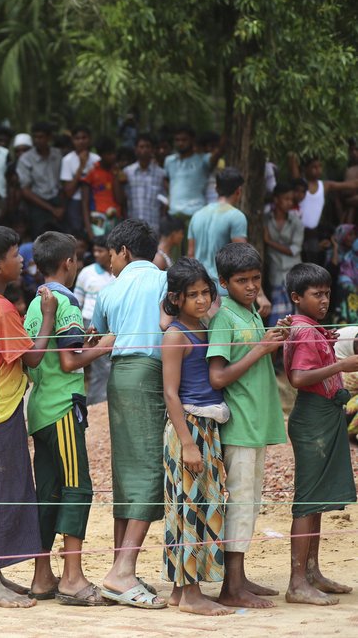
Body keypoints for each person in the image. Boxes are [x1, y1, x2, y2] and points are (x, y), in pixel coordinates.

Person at [0, 225, 56, 608]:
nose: (23, 260)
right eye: (17, 255)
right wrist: (48, 315)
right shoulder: (0, 309)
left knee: (5, 490)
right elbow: (32, 357)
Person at [25, 232, 113, 607]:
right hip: (63, 407)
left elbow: (46, 357)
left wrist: (85, 346)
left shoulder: (34, 304)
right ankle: (73, 577)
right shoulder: (68, 302)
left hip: (40, 409)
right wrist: (105, 345)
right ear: (69, 263)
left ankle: (42, 575)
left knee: (48, 492)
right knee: (78, 487)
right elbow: (68, 361)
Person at [90, 219, 168, 609]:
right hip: (150, 373)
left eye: (111, 254)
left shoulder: (110, 291)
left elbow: (102, 332)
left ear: (123, 251)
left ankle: (122, 566)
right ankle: (121, 572)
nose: (109, 262)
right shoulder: (164, 281)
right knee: (150, 467)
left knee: (128, 468)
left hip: (119, 376)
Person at [206, 242, 288, 609]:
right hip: (239, 425)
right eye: (242, 281)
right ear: (224, 283)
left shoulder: (250, 311)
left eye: (256, 279)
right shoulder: (224, 317)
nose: (252, 286)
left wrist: (274, 337)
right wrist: (261, 350)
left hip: (256, 421)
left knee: (250, 503)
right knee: (239, 503)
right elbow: (218, 376)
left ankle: (239, 577)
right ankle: (231, 586)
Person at [283, 262, 358, 606]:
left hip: (325, 417)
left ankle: (312, 572)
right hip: (312, 419)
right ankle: (298, 581)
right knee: (307, 501)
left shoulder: (312, 327)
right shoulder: (304, 331)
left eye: (327, 293)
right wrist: (342, 365)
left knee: (316, 503)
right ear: (297, 298)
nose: (324, 299)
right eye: (317, 294)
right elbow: (299, 378)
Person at [160, 258, 230, 616]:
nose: (201, 300)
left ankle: (178, 589)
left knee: (199, 506)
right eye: (193, 295)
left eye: (205, 293)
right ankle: (191, 595)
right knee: (189, 509)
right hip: (187, 428)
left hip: (206, 427)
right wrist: (188, 443)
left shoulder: (203, 328)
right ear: (177, 297)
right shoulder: (175, 335)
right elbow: (171, 393)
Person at [187, 167, 248, 290]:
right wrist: (260, 294)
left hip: (201, 288)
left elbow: (190, 255)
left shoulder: (197, 215)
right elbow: (242, 257)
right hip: (223, 290)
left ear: (216, 188)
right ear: (238, 191)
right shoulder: (236, 217)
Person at [73, 235, 116, 405]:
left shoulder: (118, 273)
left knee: (104, 365)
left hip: (111, 323)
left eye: (101, 250)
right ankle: (97, 403)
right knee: (101, 366)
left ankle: (98, 401)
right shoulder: (87, 272)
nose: (97, 254)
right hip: (91, 323)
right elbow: (77, 301)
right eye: (95, 251)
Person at [265, 182, 304, 327]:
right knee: (278, 317)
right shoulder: (265, 219)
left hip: (292, 272)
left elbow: (295, 249)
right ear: (276, 199)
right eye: (286, 199)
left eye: (291, 200)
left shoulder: (296, 222)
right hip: (275, 273)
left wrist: (269, 242)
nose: (289, 203)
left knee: (295, 313)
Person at [163, 126, 222, 221]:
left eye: (184, 140)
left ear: (192, 140)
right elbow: (165, 179)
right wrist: (170, 195)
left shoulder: (203, 159)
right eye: (177, 140)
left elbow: (219, 152)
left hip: (196, 213)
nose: (180, 143)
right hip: (174, 213)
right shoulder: (169, 161)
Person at [17, 122, 64, 238]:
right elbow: (26, 191)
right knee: (41, 239)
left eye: (41, 137)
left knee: (61, 237)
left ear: (49, 138)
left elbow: (64, 182)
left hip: (58, 200)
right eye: (35, 137)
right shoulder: (26, 159)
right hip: (38, 203)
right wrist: (52, 209)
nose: (37, 140)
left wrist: (62, 206)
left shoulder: (58, 155)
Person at [60, 126, 99, 234]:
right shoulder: (67, 160)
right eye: (77, 138)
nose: (81, 141)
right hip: (75, 203)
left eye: (84, 137)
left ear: (89, 139)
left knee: (97, 232)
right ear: (72, 140)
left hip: (95, 203)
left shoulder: (97, 159)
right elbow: (68, 191)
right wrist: (81, 166)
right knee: (76, 234)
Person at [123, 133, 166, 228]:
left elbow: (164, 202)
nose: (145, 149)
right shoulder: (127, 172)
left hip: (154, 227)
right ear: (136, 149)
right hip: (132, 228)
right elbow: (123, 200)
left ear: (153, 150)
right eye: (141, 146)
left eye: (148, 146)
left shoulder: (161, 174)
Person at [82, 137, 125, 229]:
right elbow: (84, 202)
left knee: (114, 242)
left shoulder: (117, 172)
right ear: (101, 154)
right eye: (109, 154)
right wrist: (89, 229)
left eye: (114, 153)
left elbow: (120, 200)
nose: (113, 156)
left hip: (115, 216)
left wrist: (116, 175)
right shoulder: (92, 172)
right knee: (99, 242)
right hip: (97, 216)